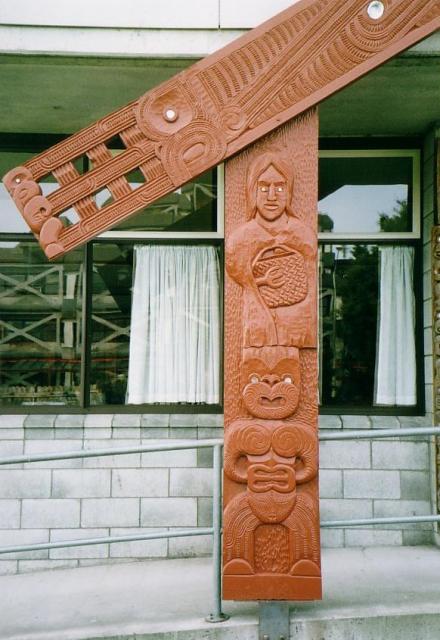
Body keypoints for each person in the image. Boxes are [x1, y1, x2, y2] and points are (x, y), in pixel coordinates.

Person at [226, 153, 316, 348]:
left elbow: (308, 294)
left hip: (293, 332)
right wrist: (263, 280)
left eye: (280, 188)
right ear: (252, 191)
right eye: (264, 187)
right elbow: (243, 280)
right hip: (256, 333)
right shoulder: (239, 240)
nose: (272, 196)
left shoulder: (303, 236)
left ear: (289, 191)